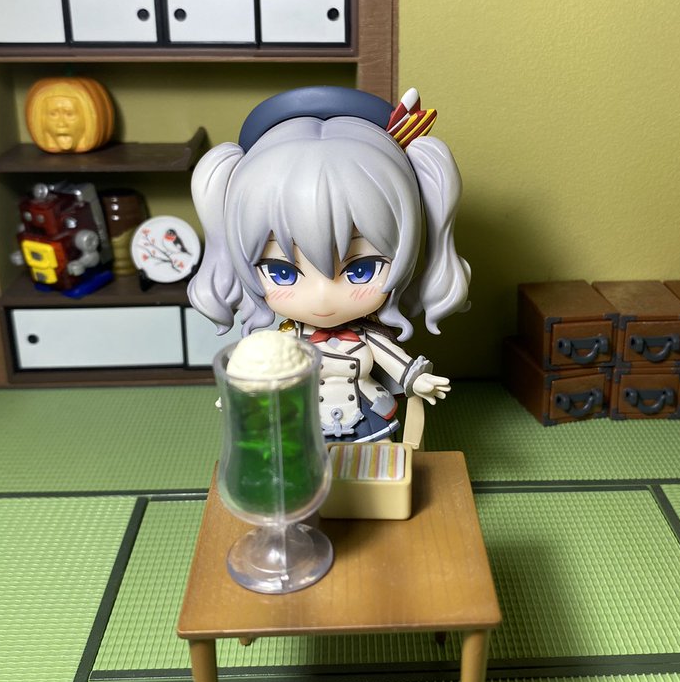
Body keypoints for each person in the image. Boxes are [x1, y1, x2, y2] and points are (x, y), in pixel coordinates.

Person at [187, 86, 470, 444]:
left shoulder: (368, 337)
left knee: (374, 465)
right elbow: (262, 373)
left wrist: (419, 380)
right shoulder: (287, 340)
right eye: (283, 272)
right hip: (305, 421)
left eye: (361, 270)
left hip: (367, 417)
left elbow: (397, 364)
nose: (322, 297)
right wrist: (241, 391)